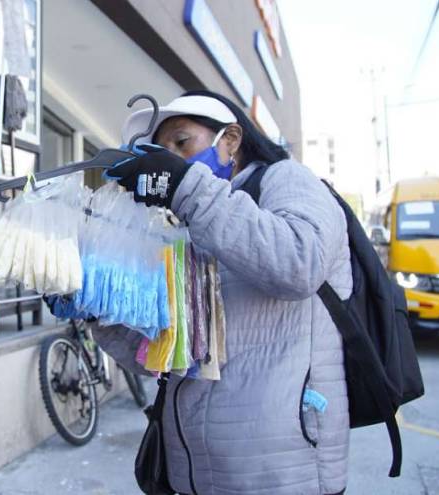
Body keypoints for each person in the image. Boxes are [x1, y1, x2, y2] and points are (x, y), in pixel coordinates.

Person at [100, 90, 351, 494]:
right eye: (163, 153)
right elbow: (159, 356)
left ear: (230, 139)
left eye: (182, 144)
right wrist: (100, 312)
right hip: (194, 471)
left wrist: (187, 187)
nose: (176, 160)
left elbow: (299, 264)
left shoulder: (284, 179)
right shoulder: (185, 225)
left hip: (280, 472)